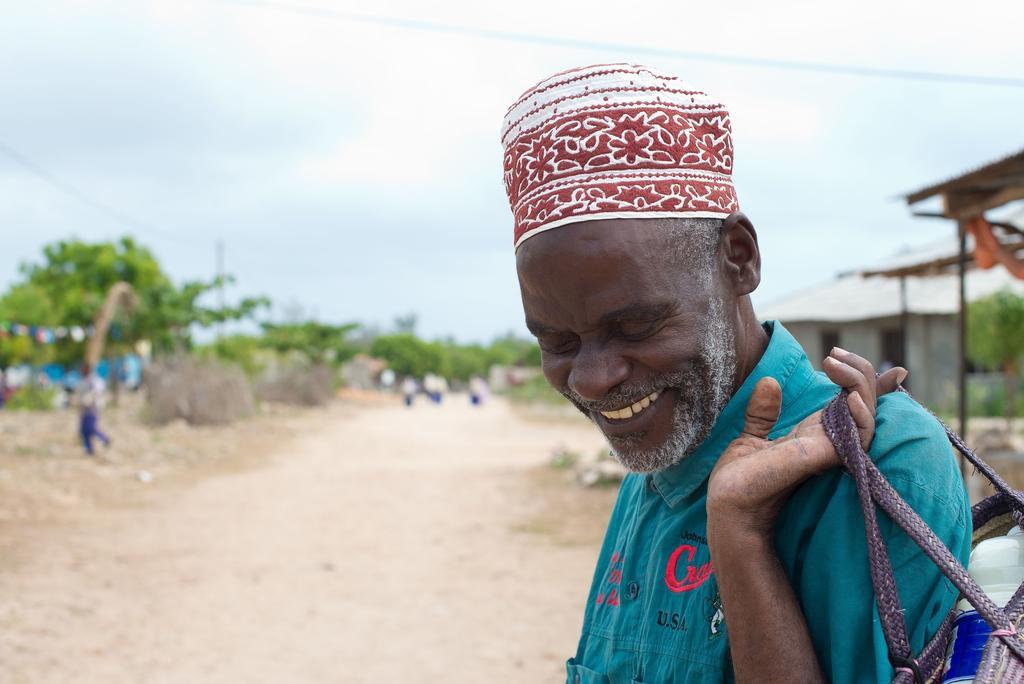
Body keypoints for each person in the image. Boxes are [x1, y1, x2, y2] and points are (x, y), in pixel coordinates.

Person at [500, 64, 970, 683]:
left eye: (636, 326)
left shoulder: (883, 458)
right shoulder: (665, 441)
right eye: (558, 342)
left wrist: (741, 533)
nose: (591, 380)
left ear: (739, 259)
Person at [77, 362, 110, 455]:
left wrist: (88, 399)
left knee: (91, 428)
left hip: (93, 409)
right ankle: (89, 449)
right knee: (84, 430)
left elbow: (97, 391)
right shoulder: (82, 380)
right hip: (84, 410)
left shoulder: (95, 380)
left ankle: (104, 439)